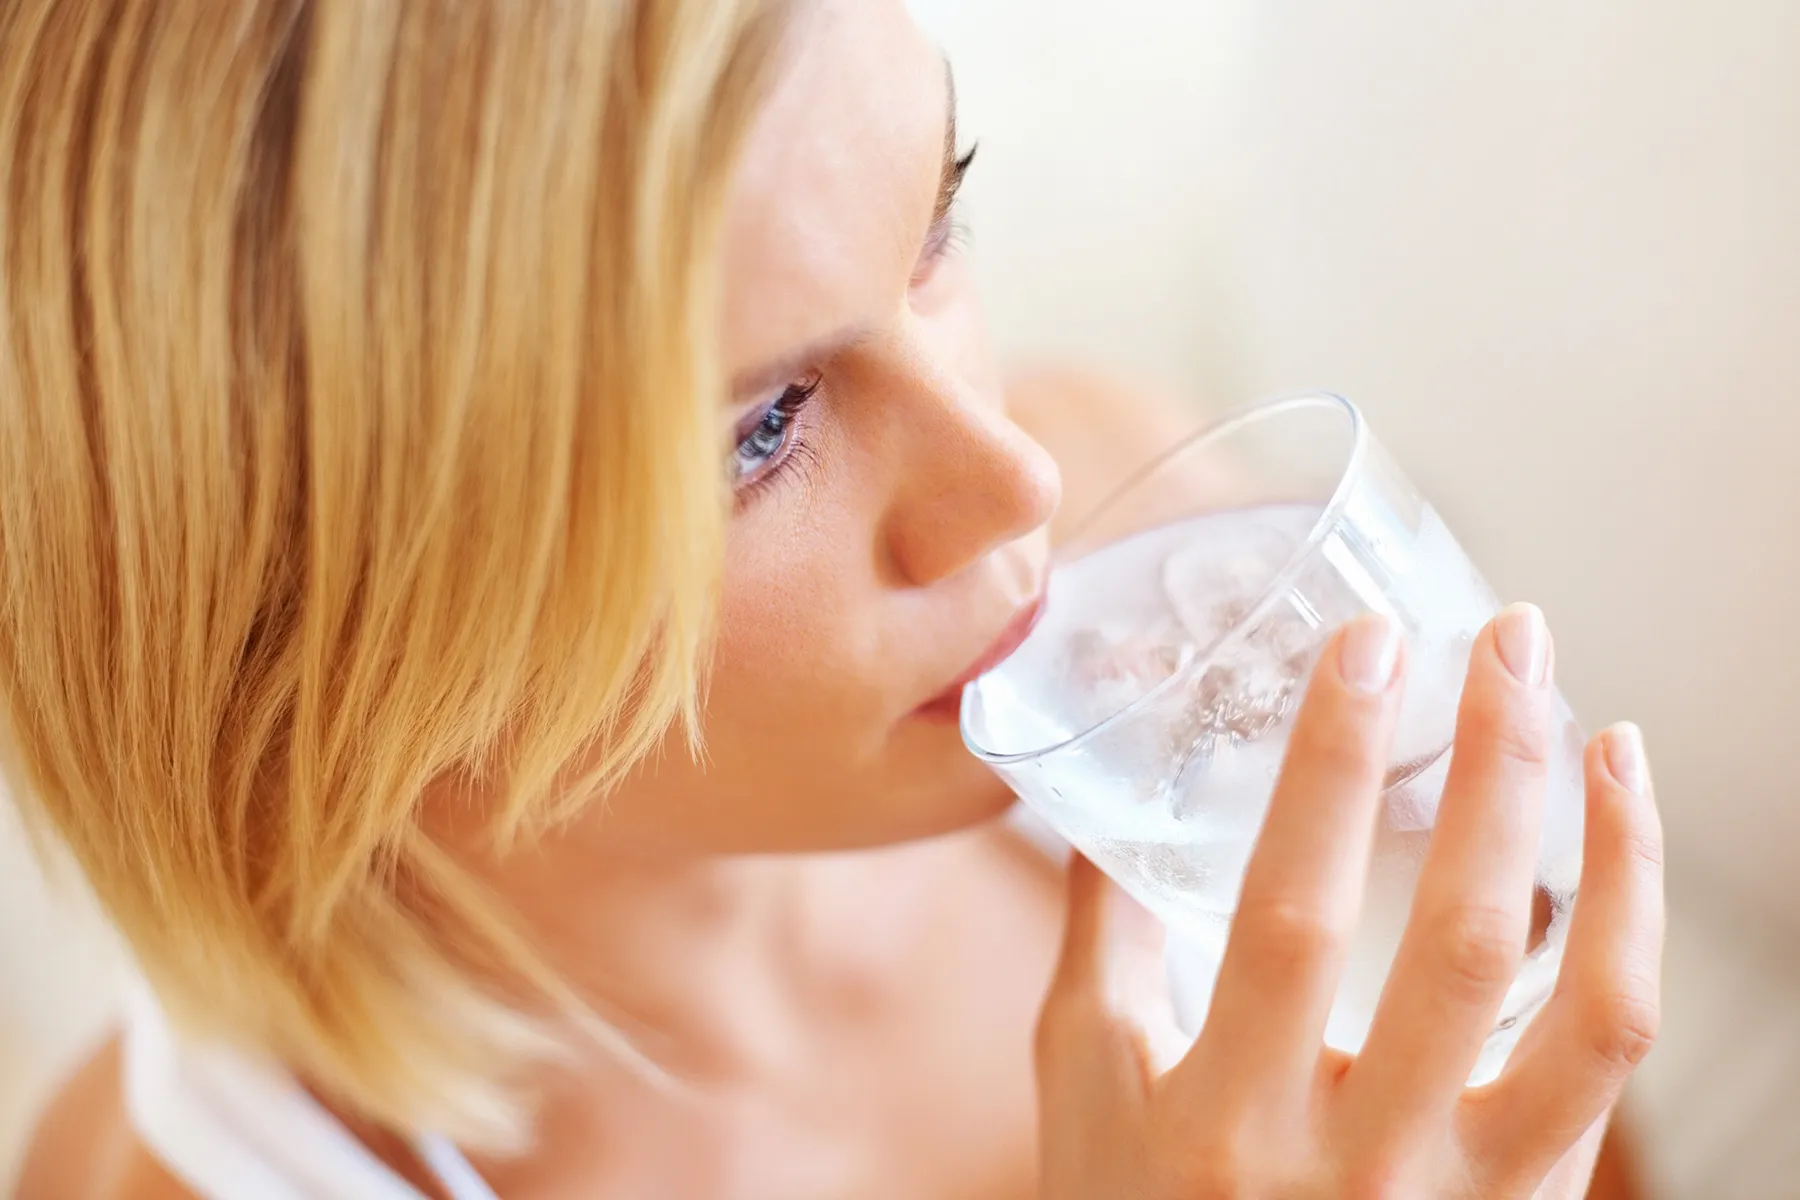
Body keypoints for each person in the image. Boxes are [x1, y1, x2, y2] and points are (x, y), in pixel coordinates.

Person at [1, 1, 1663, 1196]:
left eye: (934, 221)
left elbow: (1569, 1110)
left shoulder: (1134, 549)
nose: (1007, 473)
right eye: (764, 433)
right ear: (322, 630)